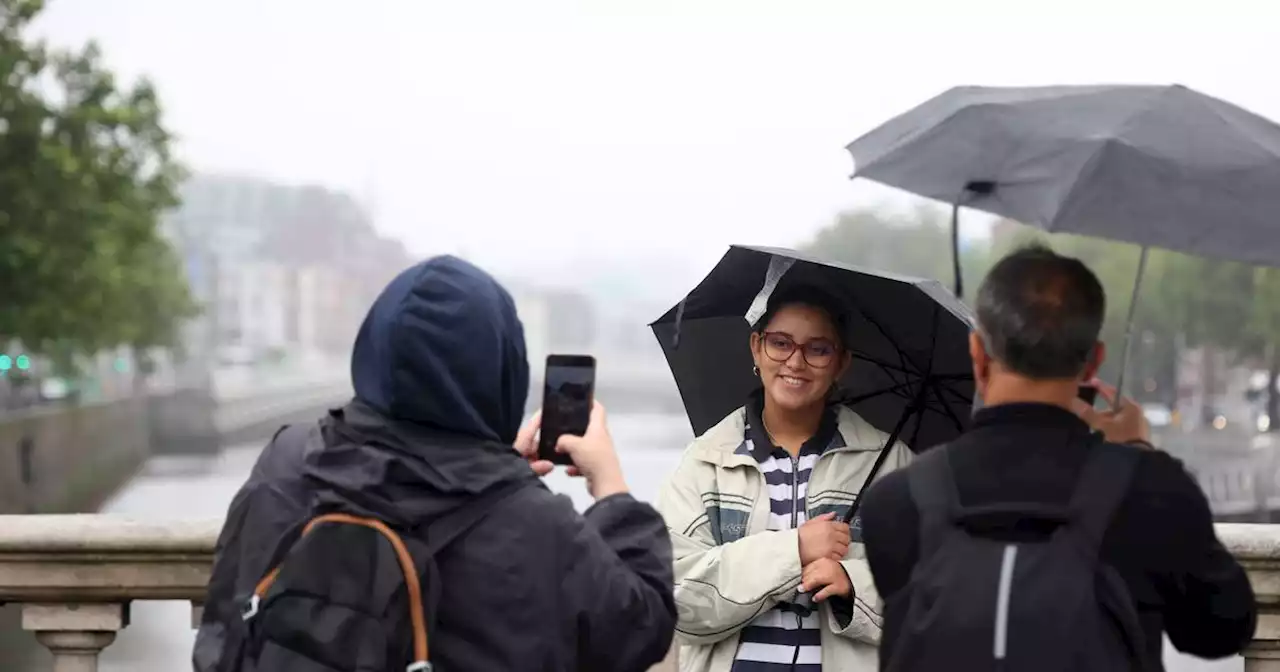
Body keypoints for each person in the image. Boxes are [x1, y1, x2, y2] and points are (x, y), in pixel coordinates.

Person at [193, 255, 676, 672]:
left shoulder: (289, 461)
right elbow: (639, 628)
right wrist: (610, 487)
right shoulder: (537, 527)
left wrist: (500, 478)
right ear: (503, 367)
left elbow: (222, 628)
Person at [859, 245, 1257, 671]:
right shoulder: (1152, 494)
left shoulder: (895, 502)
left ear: (977, 354)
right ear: (1093, 362)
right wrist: (1138, 453)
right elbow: (1221, 629)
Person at [656, 284, 912, 672]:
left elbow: (930, 591)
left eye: (818, 349)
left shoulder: (887, 462)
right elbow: (676, 599)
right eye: (781, 343)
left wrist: (851, 584)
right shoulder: (707, 463)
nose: (796, 362)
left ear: (841, 362)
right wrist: (793, 550)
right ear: (757, 348)